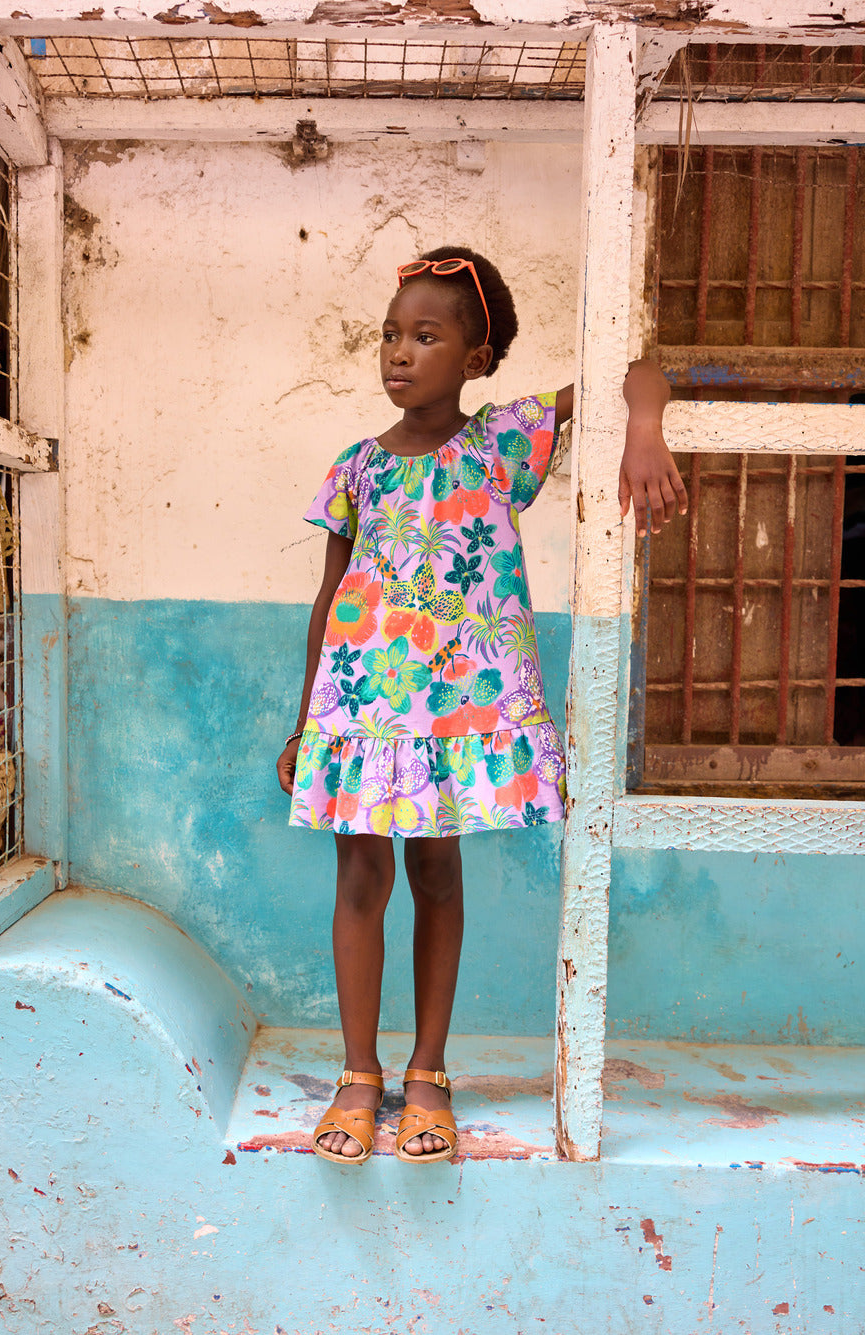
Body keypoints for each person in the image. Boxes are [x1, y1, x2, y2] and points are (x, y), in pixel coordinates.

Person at [276, 246, 686, 1165]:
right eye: (390, 334)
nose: (398, 352)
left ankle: (427, 1073)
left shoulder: (499, 445)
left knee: (437, 878)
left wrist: (645, 427)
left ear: (472, 360)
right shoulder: (355, 468)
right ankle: (358, 1075)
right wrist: (308, 721)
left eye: (425, 336)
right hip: (360, 713)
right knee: (357, 882)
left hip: (453, 716)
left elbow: (638, 366)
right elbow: (330, 595)